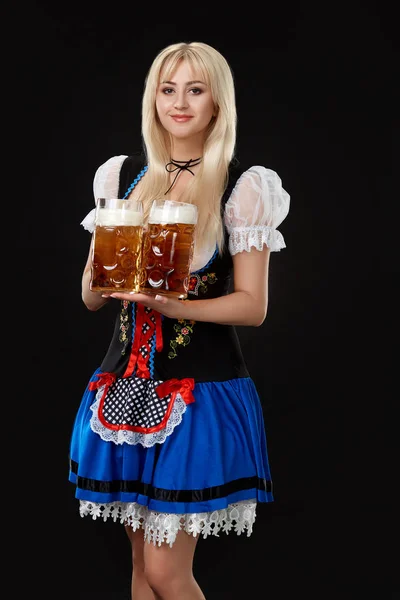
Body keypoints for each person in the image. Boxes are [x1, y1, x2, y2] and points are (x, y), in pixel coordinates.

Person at [69, 41, 290, 600]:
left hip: (197, 395)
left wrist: (176, 307)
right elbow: (93, 298)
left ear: (217, 101)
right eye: (168, 89)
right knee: (142, 572)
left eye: (195, 89)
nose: (180, 103)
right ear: (153, 98)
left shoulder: (244, 188)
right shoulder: (121, 179)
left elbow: (252, 306)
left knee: (169, 573)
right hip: (121, 390)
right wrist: (101, 273)